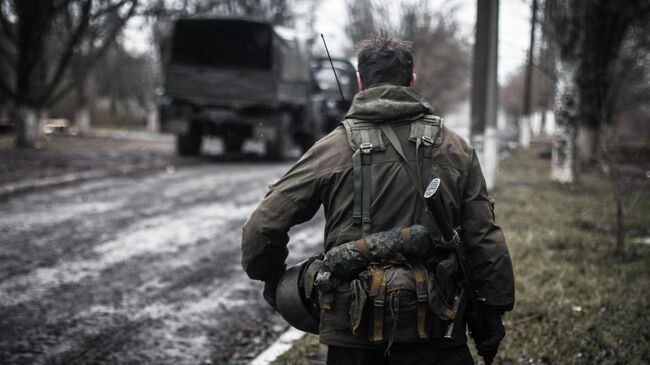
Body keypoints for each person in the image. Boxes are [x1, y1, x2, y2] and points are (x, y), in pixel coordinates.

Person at [242, 34, 515, 365]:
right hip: (437, 329)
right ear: (411, 81)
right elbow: (483, 237)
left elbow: (262, 227)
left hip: (352, 334)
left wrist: (274, 280)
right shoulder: (456, 148)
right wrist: (493, 310)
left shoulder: (331, 148)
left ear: (360, 82)